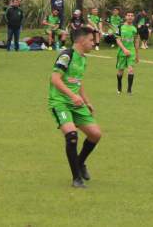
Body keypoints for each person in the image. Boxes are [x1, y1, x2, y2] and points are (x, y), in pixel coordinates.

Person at [48, 27, 102, 189]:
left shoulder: (83, 58)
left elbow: (77, 81)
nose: (94, 43)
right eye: (91, 40)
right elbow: (55, 79)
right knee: (72, 135)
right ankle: (76, 178)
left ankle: (80, 163)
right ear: (81, 40)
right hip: (60, 103)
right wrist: (72, 96)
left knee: (95, 134)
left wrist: (86, 101)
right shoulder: (66, 55)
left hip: (77, 103)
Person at [115, 12, 139, 94]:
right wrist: (124, 49)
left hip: (131, 51)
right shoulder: (120, 27)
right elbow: (118, 40)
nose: (130, 17)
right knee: (120, 70)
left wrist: (137, 54)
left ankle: (129, 90)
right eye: (128, 15)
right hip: (122, 51)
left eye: (132, 16)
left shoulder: (135, 28)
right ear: (125, 17)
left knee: (131, 70)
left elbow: (136, 41)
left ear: (134, 17)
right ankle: (119, 86)